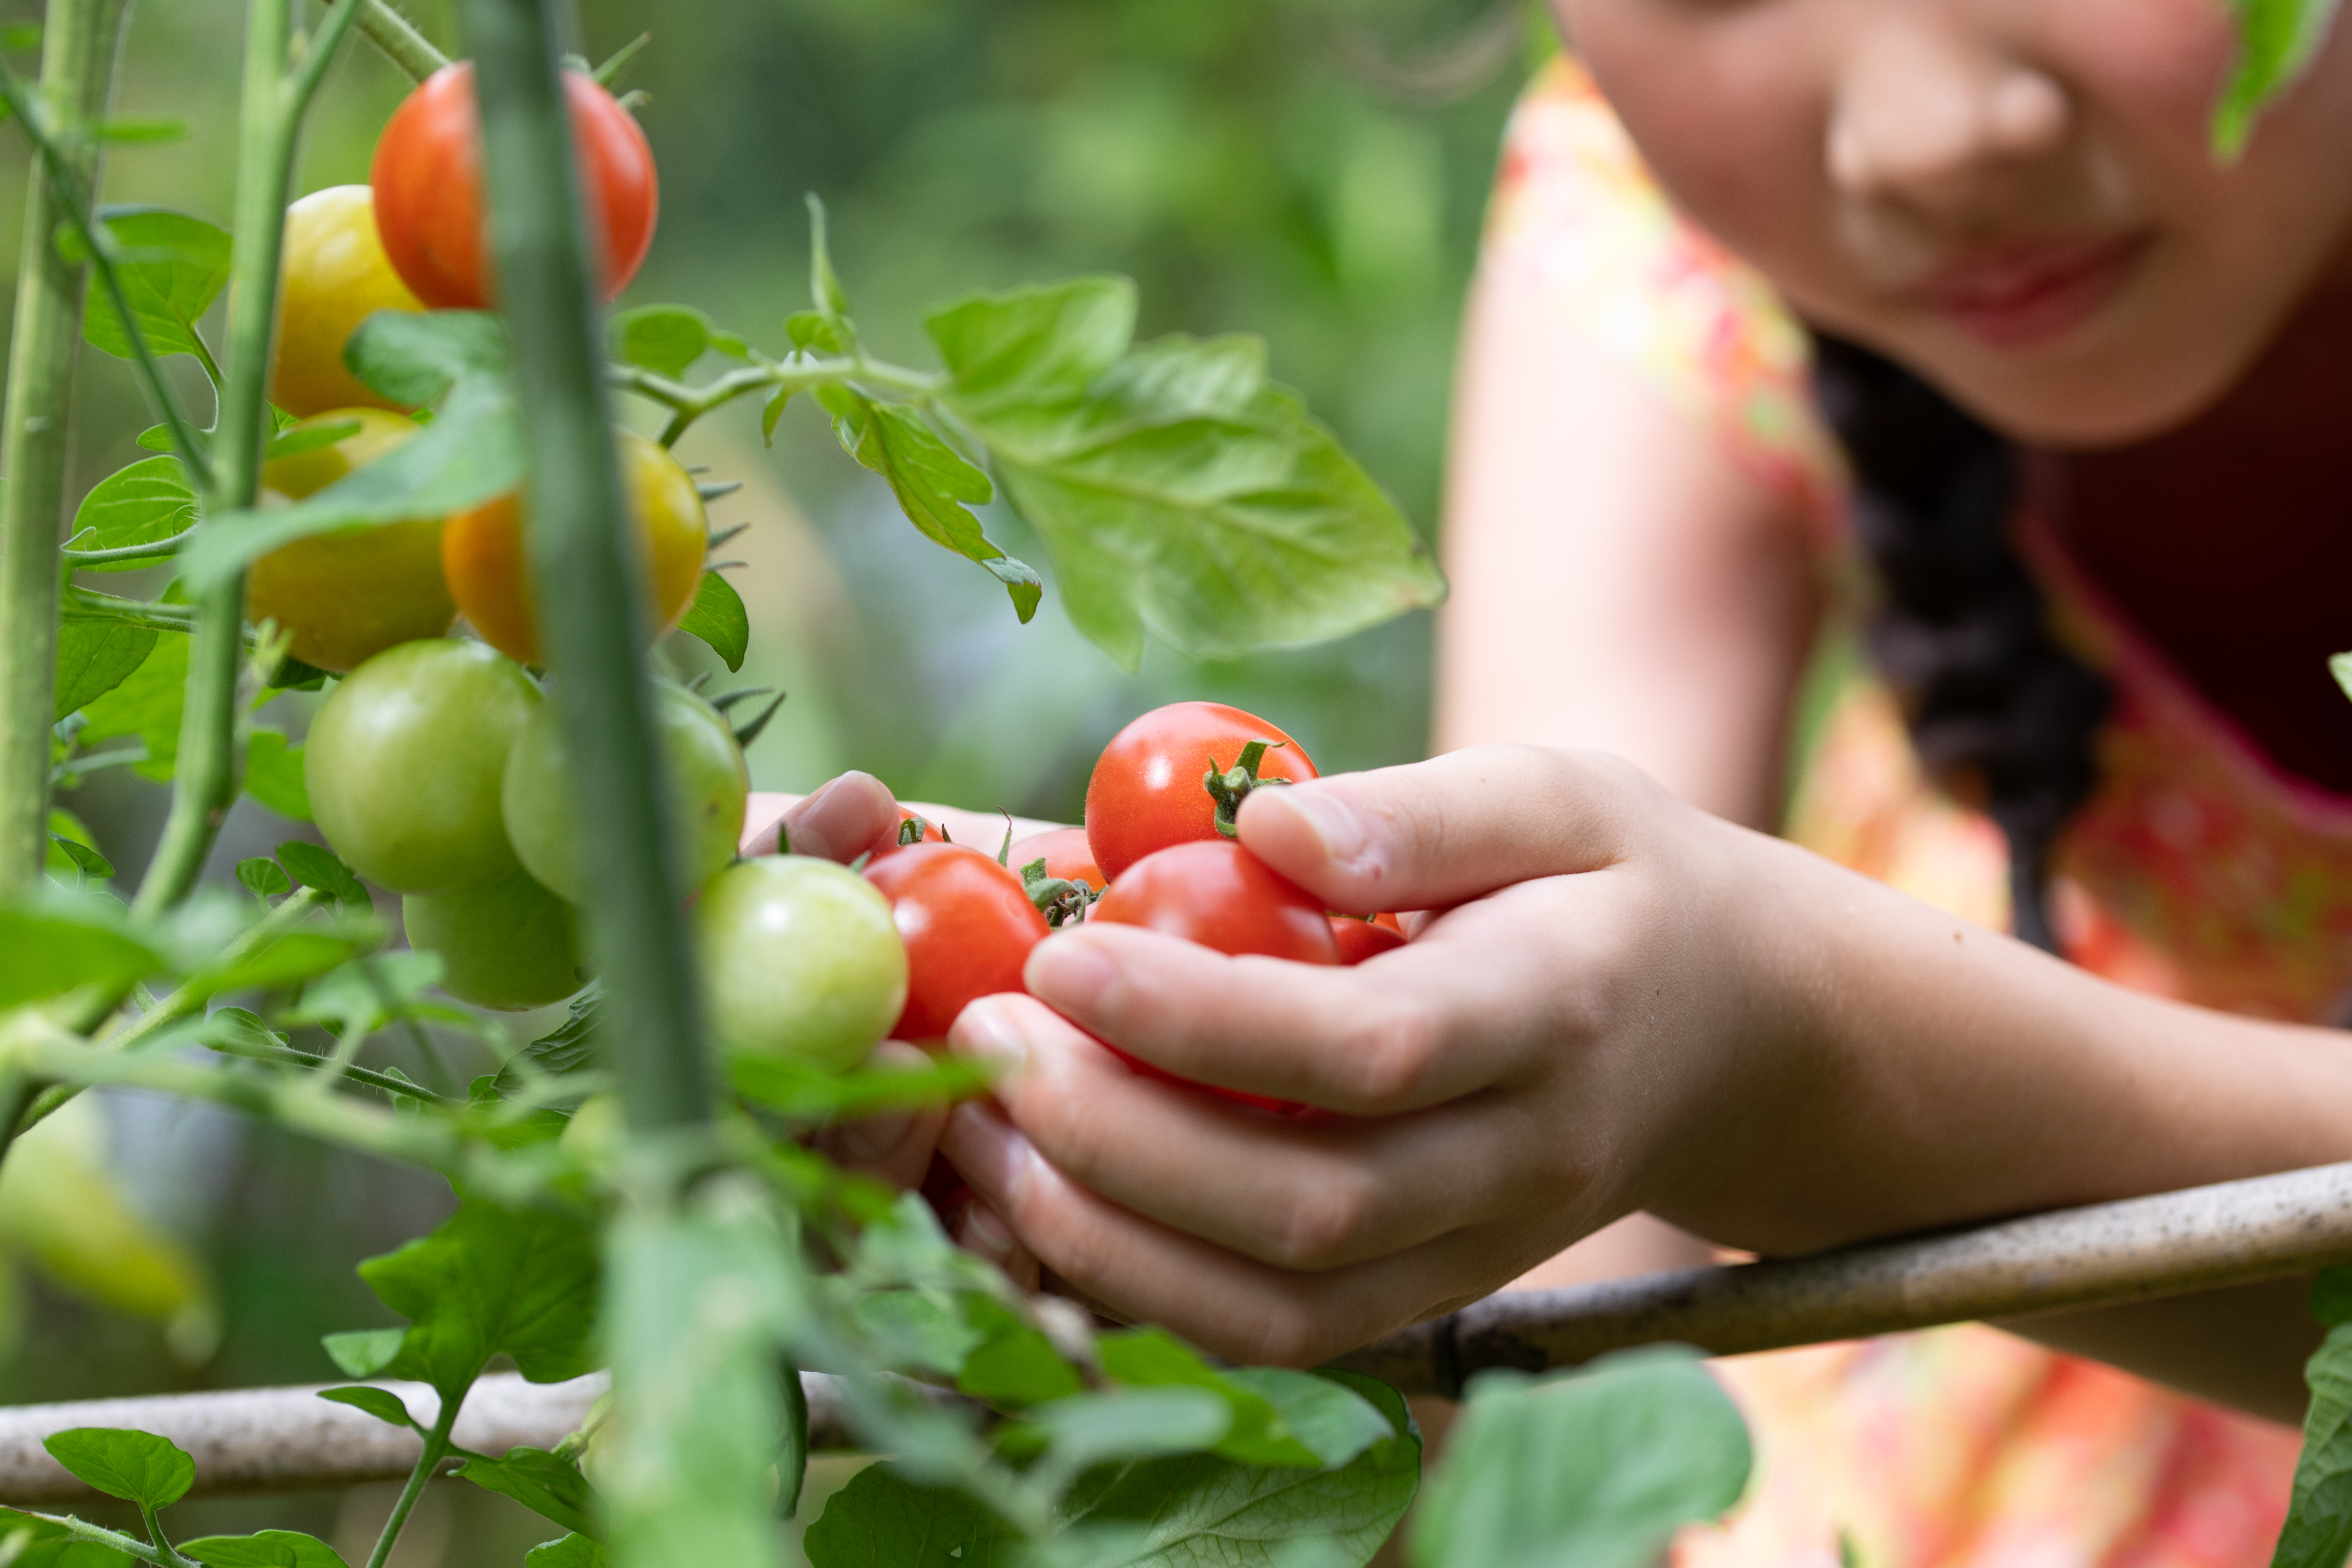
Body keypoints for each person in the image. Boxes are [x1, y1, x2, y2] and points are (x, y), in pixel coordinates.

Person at [786, 1, 2352, 1558]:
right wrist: (1261, 1220)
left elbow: (1692, 1035)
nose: (1931, 134)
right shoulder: (1653, 230)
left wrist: (1791, 1061)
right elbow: (1538, 1368)